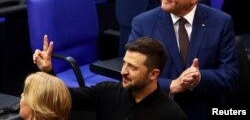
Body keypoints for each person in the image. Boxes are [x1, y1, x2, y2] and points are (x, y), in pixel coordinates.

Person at [128, 0, 239, 120]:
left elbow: (230, 75)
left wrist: (199, 78)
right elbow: (132, 75)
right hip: (157, 112)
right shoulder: (143, 24)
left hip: (205, 110)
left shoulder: (221, 22)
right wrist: (171, 86)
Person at [33, 35, 188, 120]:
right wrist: (48, 71)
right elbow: (65, 97)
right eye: (124, 64)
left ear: (154, 74)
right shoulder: (107, 91)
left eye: (132, 67)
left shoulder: (171, 115)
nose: (123, 71)